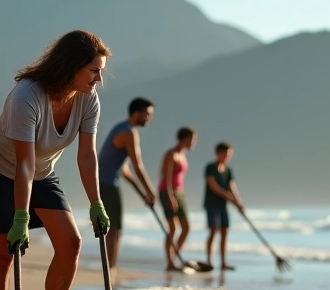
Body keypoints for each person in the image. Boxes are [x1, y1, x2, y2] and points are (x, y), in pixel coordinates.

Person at [0, 30, 111, 290]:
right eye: (93, 70)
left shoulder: (88, 98)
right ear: (71, 66)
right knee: (3, 254)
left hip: (42, 172)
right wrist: (21, 217)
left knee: (71, 243)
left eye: (101, 71)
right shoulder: (27, 97)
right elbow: (23, 163)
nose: (98, 79)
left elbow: (86, 155)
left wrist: (97, 203)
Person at [96, 97, 157, 266]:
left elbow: (125, 170)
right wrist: (150, 192)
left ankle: (110, 265)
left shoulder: (121, 128)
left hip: (105, 182)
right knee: (114, 230)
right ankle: (110, 268)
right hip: (106, 183)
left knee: (115, 229)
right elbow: (138, 166)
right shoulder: (128, 133)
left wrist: (142, 194)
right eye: (148, 114)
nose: (149, 118)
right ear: (137, 113)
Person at [157, 127, 196, 271]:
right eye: (192, 139)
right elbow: (165, 177)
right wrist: (170, 196)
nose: (194, 142)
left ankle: (175, 256)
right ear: (185, 138)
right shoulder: (171, 154)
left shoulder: (183, 155)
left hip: (179, 192)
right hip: (167, 191)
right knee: (172, 228)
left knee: (186, 227)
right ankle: (170, 262)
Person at [203, 141, 244, 270]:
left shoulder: (228, 170)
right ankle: (209, 261)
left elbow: (232, 187)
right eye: (225, 154)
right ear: (218, 153)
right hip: (211, 204)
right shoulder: (210, 167)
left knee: (224, 231)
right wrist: (226, 194)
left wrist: (238, 203)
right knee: (213, 230)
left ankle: (223, 262)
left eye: (229, 154)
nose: (227, 157)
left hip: (223, 206)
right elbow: (212, 185)